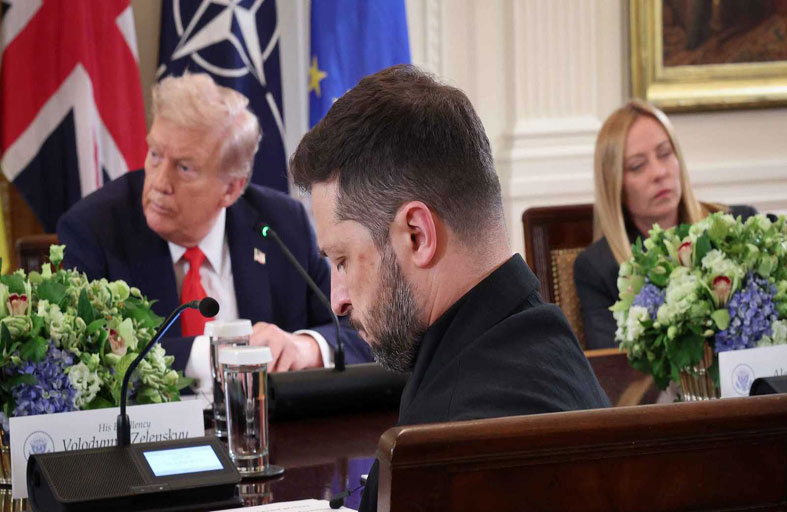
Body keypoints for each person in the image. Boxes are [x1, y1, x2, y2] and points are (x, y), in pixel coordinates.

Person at [289, 64, 610, 512]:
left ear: (417, 235)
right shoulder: (547, 341)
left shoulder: (448, 447)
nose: (338, 299)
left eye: (342, 260)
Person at [57, 72, 371, 375]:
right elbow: (84, 355)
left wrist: (304, 348)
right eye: (155, 155)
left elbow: (362, 331)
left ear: (232, 188)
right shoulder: (95, 229)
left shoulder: (282, 225)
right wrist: (210, 356)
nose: (159, 182)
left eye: (184, 168)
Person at [574, 99, 757, 350]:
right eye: (638, 166)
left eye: (665, 153)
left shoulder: (739, 226)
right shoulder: (599, 268)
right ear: (615, 185)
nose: (659, 172)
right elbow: (611, 366)